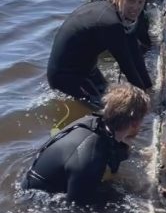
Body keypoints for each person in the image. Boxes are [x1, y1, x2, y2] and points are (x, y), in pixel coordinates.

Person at [21, 83, 150, 203]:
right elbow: (79, 208)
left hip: (41, 181)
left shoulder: (94, 122)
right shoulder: (91, 154)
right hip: (38, 200)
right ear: (135, 122)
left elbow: (117, 151)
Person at [47, 0, 153, 108]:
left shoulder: (118, 12)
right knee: (109, 111)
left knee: (110, 98)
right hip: (66, 77)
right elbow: (126, 65)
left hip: (88, 68)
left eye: (140, 2)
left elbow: (135, 53)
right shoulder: (110, 24)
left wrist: (149, 87)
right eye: (131, 1)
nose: (136, 7)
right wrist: (146, 101)